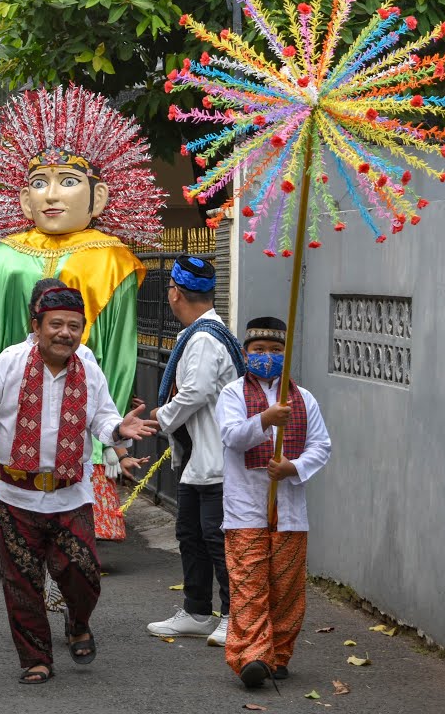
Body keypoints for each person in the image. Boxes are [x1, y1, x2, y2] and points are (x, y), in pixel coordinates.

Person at [0, 86, 165, 543]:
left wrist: (111, 434)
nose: (51, 194)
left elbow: (118, 351)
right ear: (23, 200)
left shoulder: (111, 257)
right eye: (38, 182)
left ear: (98, 197)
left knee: (73, 549)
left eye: (68, 181)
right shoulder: (2, 256)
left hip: (78, 399)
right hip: (15, 402)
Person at [0, 286, 159, 684]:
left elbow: (102, 419)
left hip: (70, 493)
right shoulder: (11, 362)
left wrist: (118, 429)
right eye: (57, 325)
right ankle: (35, 658)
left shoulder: (87, 364)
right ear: (37, 326)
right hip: (16, 495)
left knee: (84, 573)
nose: (65, 333)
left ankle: (78, 622)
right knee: (22, 582)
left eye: (74, 326)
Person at [216, 317, 332, 688]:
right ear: (246, 353)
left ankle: (278, 655)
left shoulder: (304, 398)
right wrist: (265, 419)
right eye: (259, 350)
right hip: (245, 507)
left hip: (290, 510)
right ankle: (252, 656)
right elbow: (232, 437)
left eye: (276, 350)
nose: (267, 357)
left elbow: (321, 446)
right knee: (249, 584)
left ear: (287, 354)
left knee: (285, 587)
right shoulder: (232, 394)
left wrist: (292, 467)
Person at [145, 256, 246, 645]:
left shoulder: (203, 338)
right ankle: (197, 611)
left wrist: (161, 414)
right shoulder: (207, 332)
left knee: (216, 539)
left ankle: (234, 616)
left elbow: (196, 391)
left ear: (175, 292)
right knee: (190, 533)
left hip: (216, 459)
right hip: (199, 459)